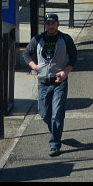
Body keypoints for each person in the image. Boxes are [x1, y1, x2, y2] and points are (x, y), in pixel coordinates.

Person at [22, 13, 78, 157]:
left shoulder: (65, 39)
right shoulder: (38, 39)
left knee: (57, 114)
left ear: (58, 24)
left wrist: (66, 72)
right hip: (43, 83)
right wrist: (34, 66)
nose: (50, 26)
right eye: (48, 23)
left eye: (53, 23)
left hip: (60, 83)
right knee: (44, 113)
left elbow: (74, 57)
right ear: (45, 25)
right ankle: (55, 132)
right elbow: (26, 54)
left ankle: (54, 145)